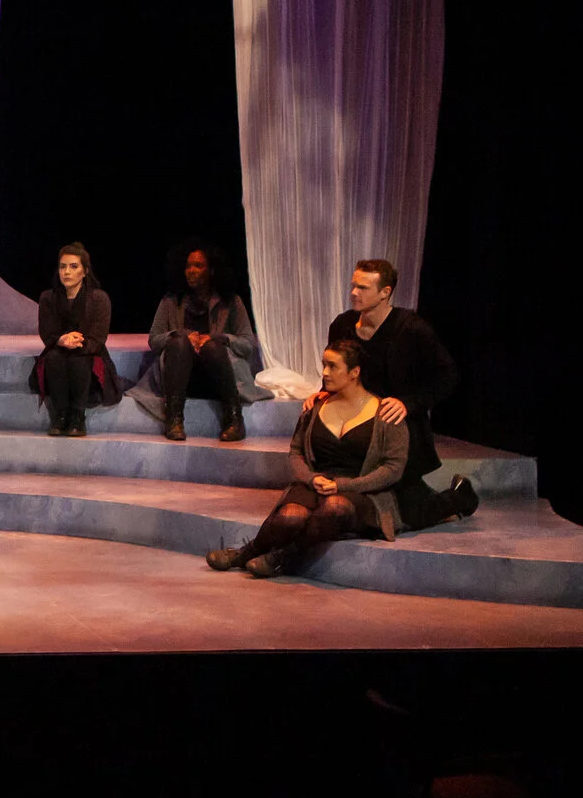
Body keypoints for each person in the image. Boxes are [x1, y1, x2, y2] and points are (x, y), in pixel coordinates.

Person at [208, 340, 409, 577]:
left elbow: (393, 468)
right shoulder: (315, 407)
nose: (324, 373)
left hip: (361, 491)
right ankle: (246, 553)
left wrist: (343, 485)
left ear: (354, 372)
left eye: (333, 366)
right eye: (324, 365)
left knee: (335, 507)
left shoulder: (385, 414)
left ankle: (281, 558)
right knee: (291, 516)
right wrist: (311, 479)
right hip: (316, 483)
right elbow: (296, 452)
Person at [323, 259, 478, 528]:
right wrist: (322, 394)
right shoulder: (343, 326)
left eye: (363, 288)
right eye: (353, 286)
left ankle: (460, 496)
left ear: (385, 292)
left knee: (410, 515)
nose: (354, 293)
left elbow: (448, 376)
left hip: (398, 431)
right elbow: (336, 369)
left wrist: (409, 403)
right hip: (358, 429)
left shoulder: (411, 329)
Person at [138, 242, 264, 442]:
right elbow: (154, 339)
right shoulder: (171, 301)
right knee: (180, 342)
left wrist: (220, 338)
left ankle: (234, 420)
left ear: (212, 270)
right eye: (188, 266)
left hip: (219, 378)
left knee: (212, 346)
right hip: (180, 380)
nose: (191, 271)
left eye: (198, 266)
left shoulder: (231, 302)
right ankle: (174, 420)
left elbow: (247, 344)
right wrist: (180, 335)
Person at [30, 243, 121, 438]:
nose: (66, 272)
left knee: (78, 358)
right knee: (55, 357)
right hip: (58, 351)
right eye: (62, 267)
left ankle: (78, 416)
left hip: (89, 354)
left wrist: (77, 343)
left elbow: (98, 338)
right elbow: (47, 333)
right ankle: (61, 415)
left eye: (73, 267)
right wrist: (61, 340)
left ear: (85, 271)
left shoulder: (99, 299)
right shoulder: (48, 298)